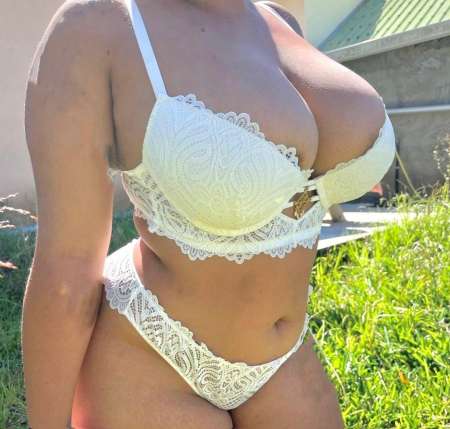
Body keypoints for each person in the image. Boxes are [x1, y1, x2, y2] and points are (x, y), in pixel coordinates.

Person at [22, 0, 395, 428]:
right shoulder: (98, 27)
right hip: (150, 353)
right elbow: (66, 271)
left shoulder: (280, 19)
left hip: (285, 357)